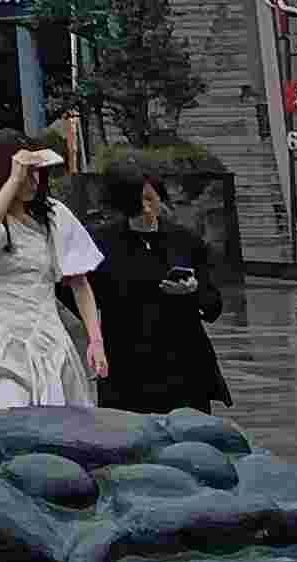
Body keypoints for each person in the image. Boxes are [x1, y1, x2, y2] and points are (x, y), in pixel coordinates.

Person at [0, 129, 105, 415]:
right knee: (10, 418)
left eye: (37, 173)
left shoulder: (52, 215)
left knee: (56, 426)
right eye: (27, 173)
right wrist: (14, 179)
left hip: (49, 340)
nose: (34, 181)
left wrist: (95, 340)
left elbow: (79, 282)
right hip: (2, 344)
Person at [88, 161, 231, 414]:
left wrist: (193, 291)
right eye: (138, 200)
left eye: (150, 199)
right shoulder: (101, 243)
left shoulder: (185, 241)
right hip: (126, 363)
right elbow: (79, 293)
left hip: (182, 361)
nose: (146, 207)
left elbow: (213, 305)